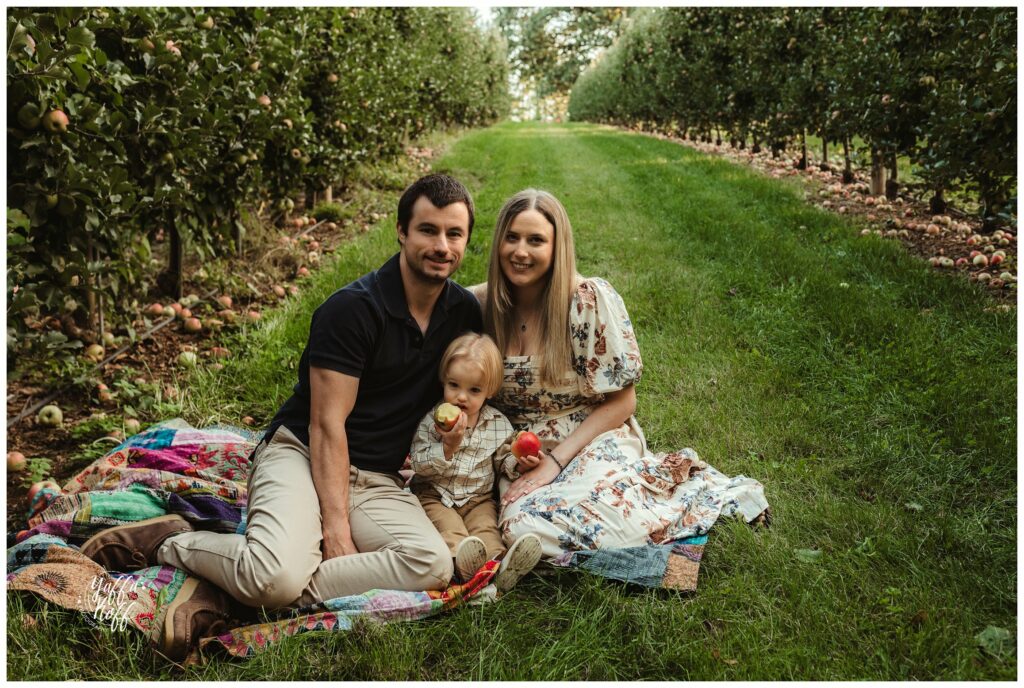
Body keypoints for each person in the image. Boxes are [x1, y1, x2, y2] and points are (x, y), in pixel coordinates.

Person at [81, 174, 484, 660]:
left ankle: (252, 588)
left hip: (376, 475)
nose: (441, 246)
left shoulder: (462, 313)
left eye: (454, 234)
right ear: (401, 231)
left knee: (433, 563)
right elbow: (325, 425)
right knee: (275, 575)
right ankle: (173, 542)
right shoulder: (352, 311)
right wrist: (336, 530)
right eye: (428, 230)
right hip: (303, 452)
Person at [472, 189, 769, 559]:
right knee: (522, 527)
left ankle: (688, 500)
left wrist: (556, 463)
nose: (520, 251)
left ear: (556, 246)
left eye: (536, 240)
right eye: (512, 237)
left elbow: (623, 400)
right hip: (520, 451)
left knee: (593, 518)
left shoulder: (585, 300)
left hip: (589, 435)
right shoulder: (478, 306)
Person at [408, 333, 542, 589]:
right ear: (443, 380)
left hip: (478, 499)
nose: (461, 397)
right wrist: (447, 446)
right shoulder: (432, 422)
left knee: (487, 531)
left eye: (474, 390)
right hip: (436, 495)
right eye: (454, 385)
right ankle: (466, 570)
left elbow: (504, 461)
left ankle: (502, 567)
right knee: (451, 532)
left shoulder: (498, 424)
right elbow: (418, 463)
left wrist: (521, 463)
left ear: (490, 391)